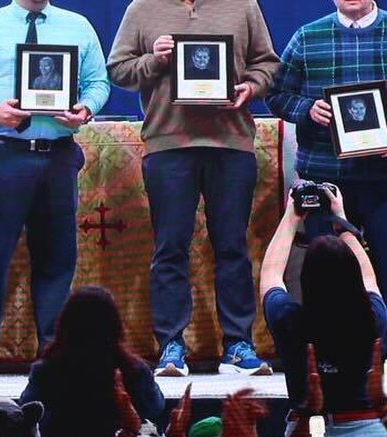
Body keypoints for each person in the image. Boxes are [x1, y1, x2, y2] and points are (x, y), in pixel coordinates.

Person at [267, 1, 387, 375]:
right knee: (327, 269)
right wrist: (306, 109)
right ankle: (333, 353)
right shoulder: (307, 37)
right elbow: (275, 94)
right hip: (327, 176)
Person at [108, 0, 280, 376]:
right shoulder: (142, 8)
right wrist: (154, 60)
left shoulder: (243, 6)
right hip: (169, 146)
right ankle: (171, 346)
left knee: (233, 248)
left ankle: (238, 345)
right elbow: (118, 70)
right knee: (170, 249)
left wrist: (250, 88)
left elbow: (268, 65)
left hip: (231, 144)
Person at [0, 0, 111, 376]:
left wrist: (85, 108)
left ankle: (54, 354)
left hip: (58, 155)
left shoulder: (78, 26)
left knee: (57, 261)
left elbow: (99, 83)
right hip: (3, 154)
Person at [259, 184, 387, 437]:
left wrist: (291, 218)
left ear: (306, 280)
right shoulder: (373, 318)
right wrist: (341, 221)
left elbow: (270, 274)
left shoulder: (289, 319)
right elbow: (369, 279)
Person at [18, 286, 165, 437]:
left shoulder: (46, 369)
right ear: (115, 325)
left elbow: (27, 408)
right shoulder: (134, 370)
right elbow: (156, 406)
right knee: (152, 433)